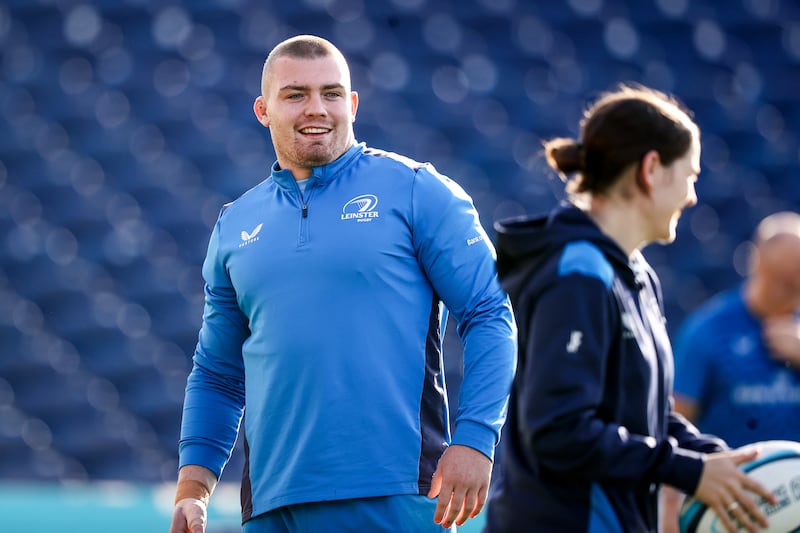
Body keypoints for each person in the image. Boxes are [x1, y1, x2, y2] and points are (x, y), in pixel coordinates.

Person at [168, 35, 517, 533]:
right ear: (263, 110)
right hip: (272, 508)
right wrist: (193, 488)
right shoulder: (234, 225)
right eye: (296, 95)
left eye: (331, 93)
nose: (317, 109)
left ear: (352, 104)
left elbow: (489, 312)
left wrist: (475, 439)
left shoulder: (417, 191)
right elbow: (217, 373)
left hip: (399, 497)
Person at [483, 84, 776, 533]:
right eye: (690, 176)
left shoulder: (633, 273)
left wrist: (713, 458)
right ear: (652, 169)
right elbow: (558, 431)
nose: (693, 196)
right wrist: (687, 471)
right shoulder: (579, 273)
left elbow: (641, 418)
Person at [661, 210, 800, 533]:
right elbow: (672, 423)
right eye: (780, 277)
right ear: (756, 264)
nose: (788, 288)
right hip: (731, 511)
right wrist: (669, 513)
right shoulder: (708, 331)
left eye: (796, 279)